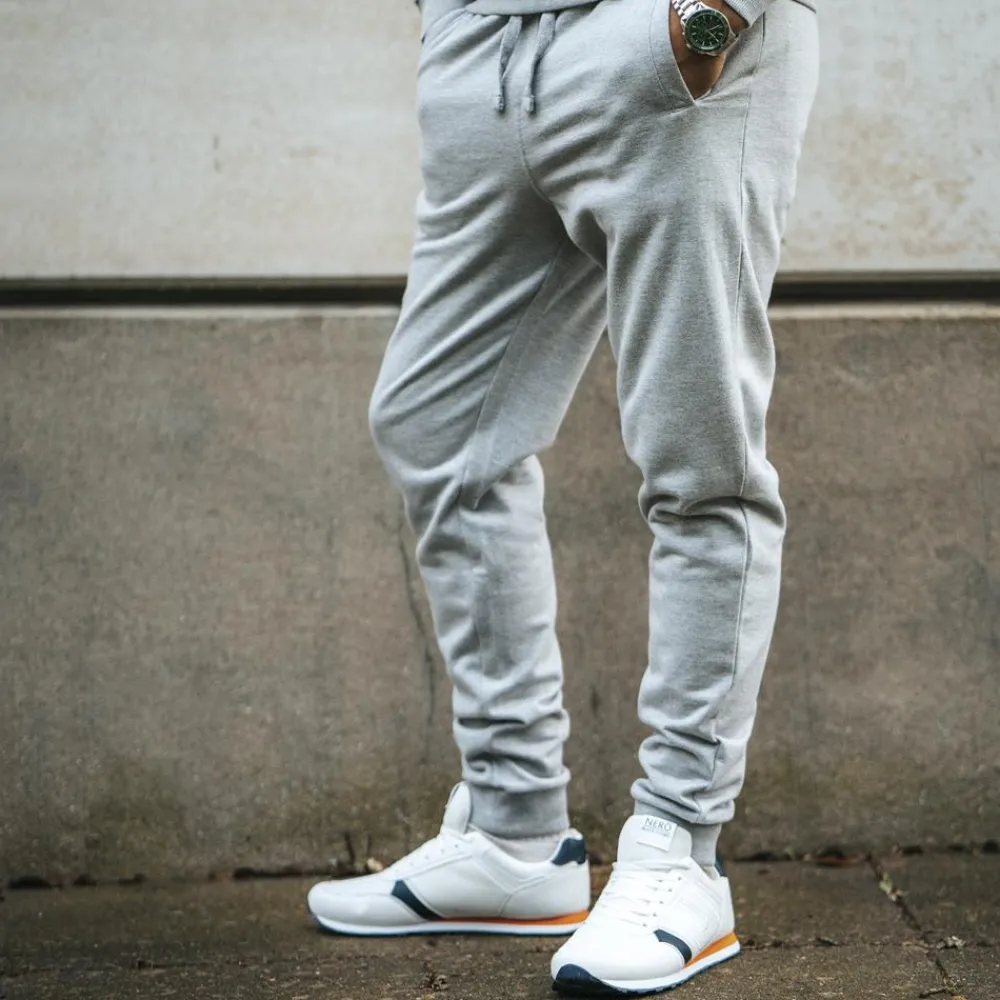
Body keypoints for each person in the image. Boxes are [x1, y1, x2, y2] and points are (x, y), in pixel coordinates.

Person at [309, 0, 818, 992]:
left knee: (700, 462)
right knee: (438, 428)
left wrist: (706, 20)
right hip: (483, 49)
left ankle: (680, 850)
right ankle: (514, 838)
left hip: (663, 44)